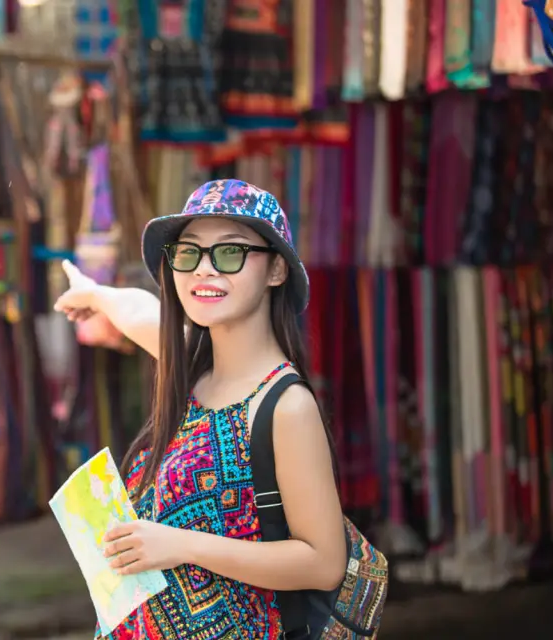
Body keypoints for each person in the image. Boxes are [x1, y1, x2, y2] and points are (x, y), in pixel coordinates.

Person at [53, 180, 346, 639]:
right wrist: (95, 294)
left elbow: (323, 562)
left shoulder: (285, 405)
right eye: (188, 254)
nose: (203, 271)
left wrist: (181, 546)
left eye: (229, 253)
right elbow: (139, 311)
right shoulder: (191, 367)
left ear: (275, 271)